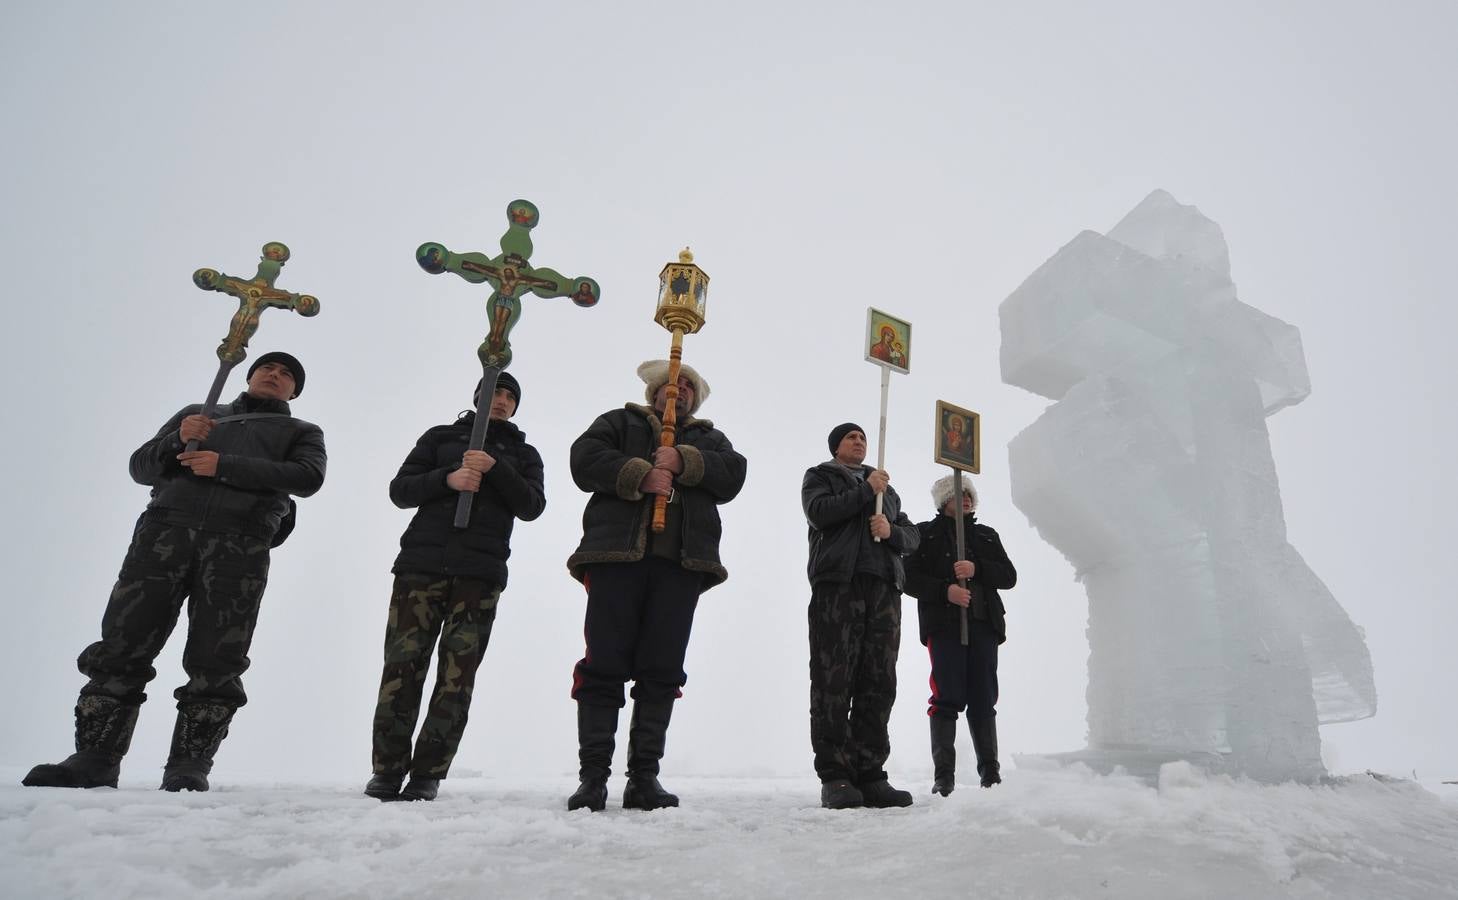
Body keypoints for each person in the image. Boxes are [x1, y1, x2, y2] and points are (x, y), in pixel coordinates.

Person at [23, 352, 326, 792]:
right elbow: (140, 467)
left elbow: (308, 477)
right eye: (267, 369)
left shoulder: (301, 431)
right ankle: (94, 758)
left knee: (217, 656)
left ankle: (188, 767)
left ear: (294, 391)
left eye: (286, 376)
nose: (274, 376)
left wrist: (225, 465)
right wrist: (176, 440)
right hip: (164, 536)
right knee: (123, 642)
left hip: (238, 546)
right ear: (249, 375)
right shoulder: (198, 414)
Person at [564, 360, 746, 811]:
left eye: (685, 386)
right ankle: (593, 779)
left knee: (661, 671)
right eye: (670, 384)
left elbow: (733, 473)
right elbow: (583, 458)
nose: (676, 391)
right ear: (654, 391)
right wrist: (639, 473)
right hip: (615, 559)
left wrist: (686, 460)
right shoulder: (618, 422)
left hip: (680, 566)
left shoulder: (708, 439)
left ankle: (644, 778)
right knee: (603, 664)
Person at [364, 372, 544, 802]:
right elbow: (401, 489)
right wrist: (449, 478)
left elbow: (532, 505)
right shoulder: (441, 437)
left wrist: (495, 469)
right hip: (420, 567)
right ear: (477, 398)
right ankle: (387, 770)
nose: (499, 401)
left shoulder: (523, 452)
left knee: (456, 676)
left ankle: (428, 772)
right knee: (401, 668)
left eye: (507, 396)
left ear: (515, 405)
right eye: (492, 393)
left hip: (479, 574)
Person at [801, 423, 920, 809]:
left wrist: (892, 532)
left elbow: (911, 535)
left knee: (879, 681)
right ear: (836, 446)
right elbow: (820, 513)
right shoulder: (821, 477)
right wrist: (865, 491)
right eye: (851, 437)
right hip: (838, 585)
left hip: (884, 589)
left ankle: (871, 773)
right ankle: (836, 775)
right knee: (833, 678)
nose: (859, 442)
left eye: (863, 438)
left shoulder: (888, 490)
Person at [902, 474, 1017, 794]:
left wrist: (977, 569)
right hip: (944, 625)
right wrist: (945, 591)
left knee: (983, 697)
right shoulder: (923, 534)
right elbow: (908, 578)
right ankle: (944, 777)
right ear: (943, 501)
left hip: (984, 623)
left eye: (968, 495)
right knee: (946, 695)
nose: (965, 499)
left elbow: (1009, 576)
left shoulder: (987, 535)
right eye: (957, 494)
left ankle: (990, 774)